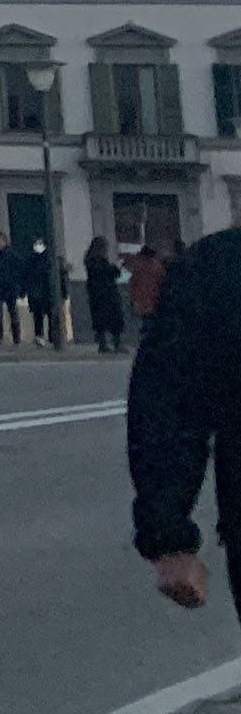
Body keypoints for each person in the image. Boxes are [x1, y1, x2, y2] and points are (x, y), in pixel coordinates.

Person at [129, 223, 241, 619]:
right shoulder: (219, 267)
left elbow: (168, 403)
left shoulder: (214, 264)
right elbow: (171, 401)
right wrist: (168, 534)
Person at [89, 236, 129, 355]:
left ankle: (104, 344)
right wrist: (117, 267)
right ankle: (114, 343)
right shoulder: (97, 260)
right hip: (106, 294)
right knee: (113, 319)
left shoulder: (91, 259)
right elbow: (109, 273)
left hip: (97, 295)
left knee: (102, 320)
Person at [133, 239, 172, 347]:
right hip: (154, 297)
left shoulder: (138, 266)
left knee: (146, 319)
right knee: (152, 320)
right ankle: (151, 338)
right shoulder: (157, 266)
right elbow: (162, 280)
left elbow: (133, 283)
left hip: (142, 298)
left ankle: (145, 336)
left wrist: (134, 299)